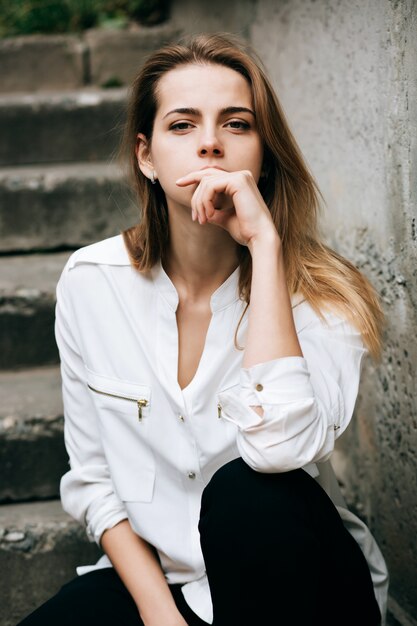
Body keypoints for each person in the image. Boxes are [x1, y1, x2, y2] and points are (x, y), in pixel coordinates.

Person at [18, 32, 388, 626]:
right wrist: (159, 613)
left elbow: (281, 452)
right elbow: (92, 482)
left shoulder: (323, 293)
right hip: (166, 585)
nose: (210, 144)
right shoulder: (91, 283)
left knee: (246, 493)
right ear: (146, 155)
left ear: (263, 154)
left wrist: (265, 249)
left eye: (237, 125)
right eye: (183, 125)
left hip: (298, 580)